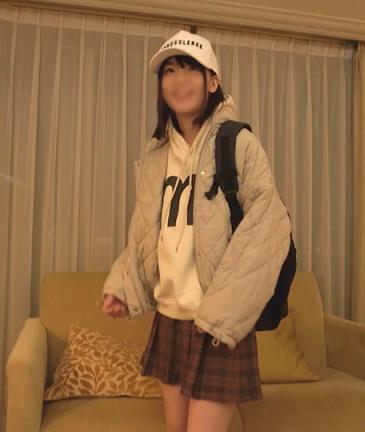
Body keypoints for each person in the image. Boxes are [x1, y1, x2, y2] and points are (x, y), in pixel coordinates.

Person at [100, 29, 291, 432]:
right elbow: (147, 229)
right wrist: (123, 284)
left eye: (190, 69)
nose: (179, 80)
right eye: (170, 71)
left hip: (217, 321)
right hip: (170, 317)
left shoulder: (238, 143)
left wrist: (224, 313)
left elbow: (267, 228)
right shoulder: (157, 153)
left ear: (213, 81)